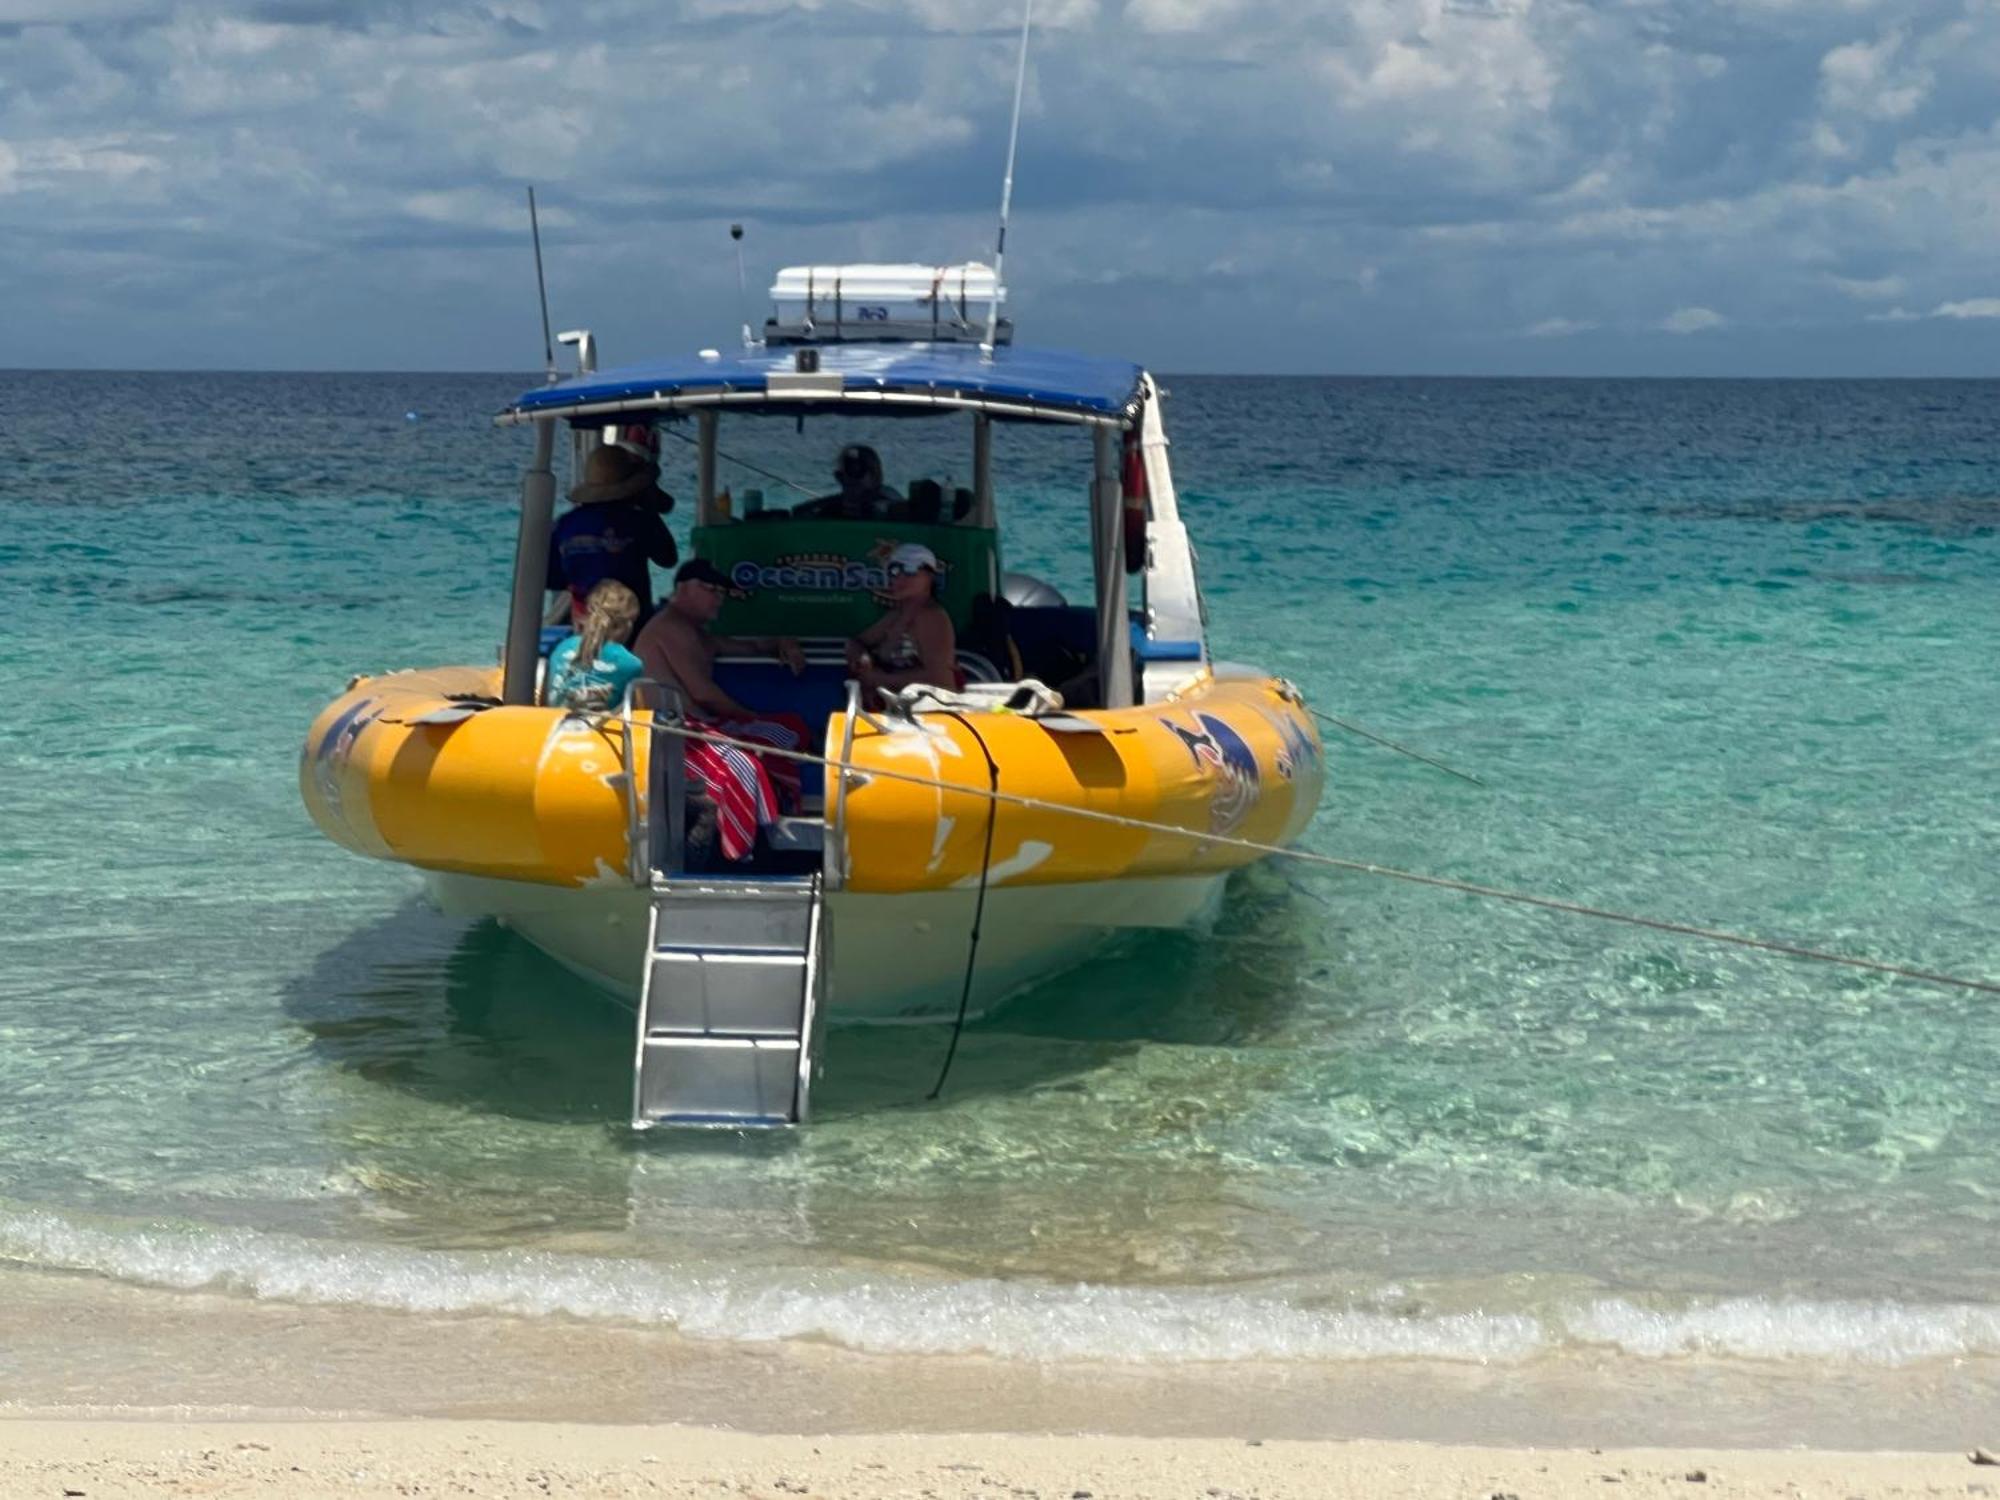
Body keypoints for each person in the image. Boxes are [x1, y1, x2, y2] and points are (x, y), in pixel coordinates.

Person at [632, 559, 811, 863]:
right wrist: (749, 716)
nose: (719, 597)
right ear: (682, 589)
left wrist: (783, 642)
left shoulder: (695, 631)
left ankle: (780, 809)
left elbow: (748, 648)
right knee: (744, 765)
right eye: (710, 589)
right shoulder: (671, 627)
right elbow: (704, 694)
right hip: (674, 734)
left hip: (704, 725)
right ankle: (743, 850)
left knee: (787, 730)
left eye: (721, 591)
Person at [546, 444, 679, 621]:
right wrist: (649, 509)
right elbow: (668, 558)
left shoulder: (565, 524)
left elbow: (552, 579)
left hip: (584, 621)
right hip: (632, 622)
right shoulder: (638, 521)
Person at [845, 542, 957, 706]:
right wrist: (862, 658)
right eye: (894, 571)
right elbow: (856, 642)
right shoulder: (897, 615)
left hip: (931, 714)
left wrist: (878, 678)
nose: (900, 578)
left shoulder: (931, 616)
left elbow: (938, 679)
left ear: (930, 577)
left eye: (910, 571)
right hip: (899, 713)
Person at [544, 580, 643, 712]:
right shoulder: (631, 664)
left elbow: (544, 703)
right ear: (628, 625)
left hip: (551, 726)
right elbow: (638, 713)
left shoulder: (561, 648)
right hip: (597, 731)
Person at [792, 443, 904, 520]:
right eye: (849, 471)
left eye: (859, 470)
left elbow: (894, 509)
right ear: (839, 477)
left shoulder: (891, 504)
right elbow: (800, 513)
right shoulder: (829, 509)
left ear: (876, 476)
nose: (853, 479)